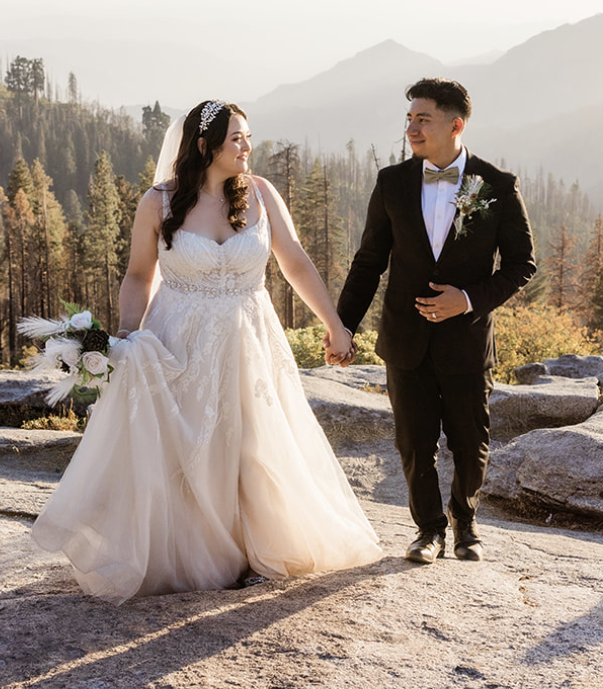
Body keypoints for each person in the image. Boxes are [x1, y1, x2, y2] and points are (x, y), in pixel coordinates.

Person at [32, 100, 382, 601]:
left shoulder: (261, 194)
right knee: (191, 447)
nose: (247, 146)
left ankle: (258, 550)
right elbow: (137, 275)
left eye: (248, 136)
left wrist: (335, 325)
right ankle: (199, 555)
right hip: (180, 341)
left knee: (256, 443)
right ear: (203, 146)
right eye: (236, 137)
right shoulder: (159, 202)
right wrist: (128, 337)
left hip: (251, 338)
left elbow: (296, 263)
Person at [333, 78, 536, 564]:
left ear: (456, 124)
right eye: (409, 119)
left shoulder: (497, 186)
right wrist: (343, 327)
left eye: (423, 119)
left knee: (470, 442)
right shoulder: (392, 183)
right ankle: (428, 530)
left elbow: (521, 265)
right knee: (413, 443)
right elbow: (368, 264)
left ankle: (466, 524)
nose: (412, 128)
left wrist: (466, 299)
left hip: (466, 341)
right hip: (405, 340)